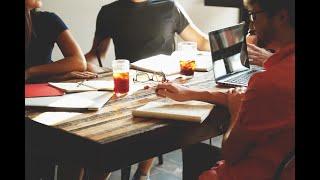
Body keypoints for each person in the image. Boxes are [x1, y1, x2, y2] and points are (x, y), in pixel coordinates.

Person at [155, 0, 295, 179]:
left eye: (255, 15)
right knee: (196, 152)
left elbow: (230, 152)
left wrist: (236, 112)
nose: (252, 24)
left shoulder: (267, 82)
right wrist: (191, 93)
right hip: (283, 166)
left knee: (198, 158)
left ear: (281, 17)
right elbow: (247, 98)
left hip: (257, 172)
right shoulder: (278, 77)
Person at [85, 0, 210, 179]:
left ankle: (143, 173)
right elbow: (97, 55)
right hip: (127, 88)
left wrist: (235, 45)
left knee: (155, 112)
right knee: (108, 140)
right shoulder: (109, 12)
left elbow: (201, 41)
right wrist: (79, 64)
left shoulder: (169, 7)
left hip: (164, 88)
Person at [25, 0, 97, 83]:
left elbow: (79, 62)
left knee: (90, 67)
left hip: (44, 87)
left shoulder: (48, 19)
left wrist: (30, 72)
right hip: (37, 88)